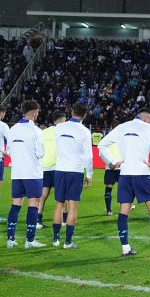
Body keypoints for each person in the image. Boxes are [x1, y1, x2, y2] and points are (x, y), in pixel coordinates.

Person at [98, 108, 150, 257]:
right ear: (147, 118)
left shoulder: (121, 127)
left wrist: (112, 162)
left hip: (125, 174)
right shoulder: (149, 128)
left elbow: (102, 145)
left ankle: (125, 248)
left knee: (123, 210)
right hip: (142, 173)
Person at [51, 103, 93, 248]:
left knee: (59, 204)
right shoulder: (85, 131)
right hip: (76, 171)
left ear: (72, 111)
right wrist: (90, 174)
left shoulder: (59, 127)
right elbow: (88, 156)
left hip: (60, 169)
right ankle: (68, 241)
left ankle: (55, 239)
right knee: (73, 207)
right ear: (85, 115)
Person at [6, 100, 46, 249]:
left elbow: (8, 151)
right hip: (32, 173)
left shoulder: (13, 129)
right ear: (34, 113)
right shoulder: (36, 131)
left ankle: (10, 239)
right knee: (33, 204)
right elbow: (40, 153)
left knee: (15, 204)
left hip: (17, 173)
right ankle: (30, 240)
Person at [37, 111, 67, 229]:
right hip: (59, 166)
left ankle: (37, 220)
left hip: (44, 166)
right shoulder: (63, 131)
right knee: (61, 195)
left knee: (43, 195)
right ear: (63, 119)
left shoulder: (43, 132)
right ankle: (64, 220)